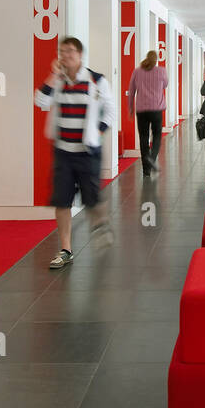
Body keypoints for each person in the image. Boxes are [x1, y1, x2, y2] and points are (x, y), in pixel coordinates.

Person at [36, 36, 117, 268]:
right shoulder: (58, 81)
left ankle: (100, 224)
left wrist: (96, 133)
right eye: (62, 51)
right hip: (63, 151)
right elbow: (40, 101)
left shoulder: (96, 80)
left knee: (91, 198)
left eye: (70, 51)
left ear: (80, 55)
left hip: (87, 151)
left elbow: (110, 111)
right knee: (62, 201)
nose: (65, 55)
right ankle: (65, 249)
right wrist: (54, 76)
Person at [126, 49, 167, 178]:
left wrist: (130, 108)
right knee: (157, 136)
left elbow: (131, 90)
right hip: (156, 109)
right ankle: (152, 158)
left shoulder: (137, 71)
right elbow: (165, 85)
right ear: (156, 60)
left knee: (143, 138)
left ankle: (146, 171)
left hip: (141, 110)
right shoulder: (161, 71)